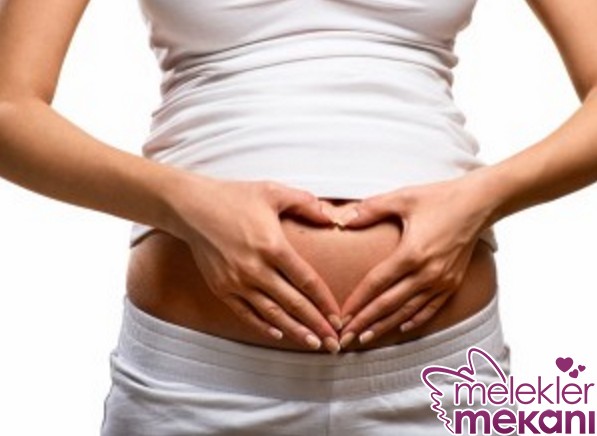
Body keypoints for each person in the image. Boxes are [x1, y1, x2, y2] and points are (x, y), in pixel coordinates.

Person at [0, 0, 596, 434]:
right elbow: (10, 110)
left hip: (438, 376)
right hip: (199, 382)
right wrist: (182, 203)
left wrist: (480, 199)